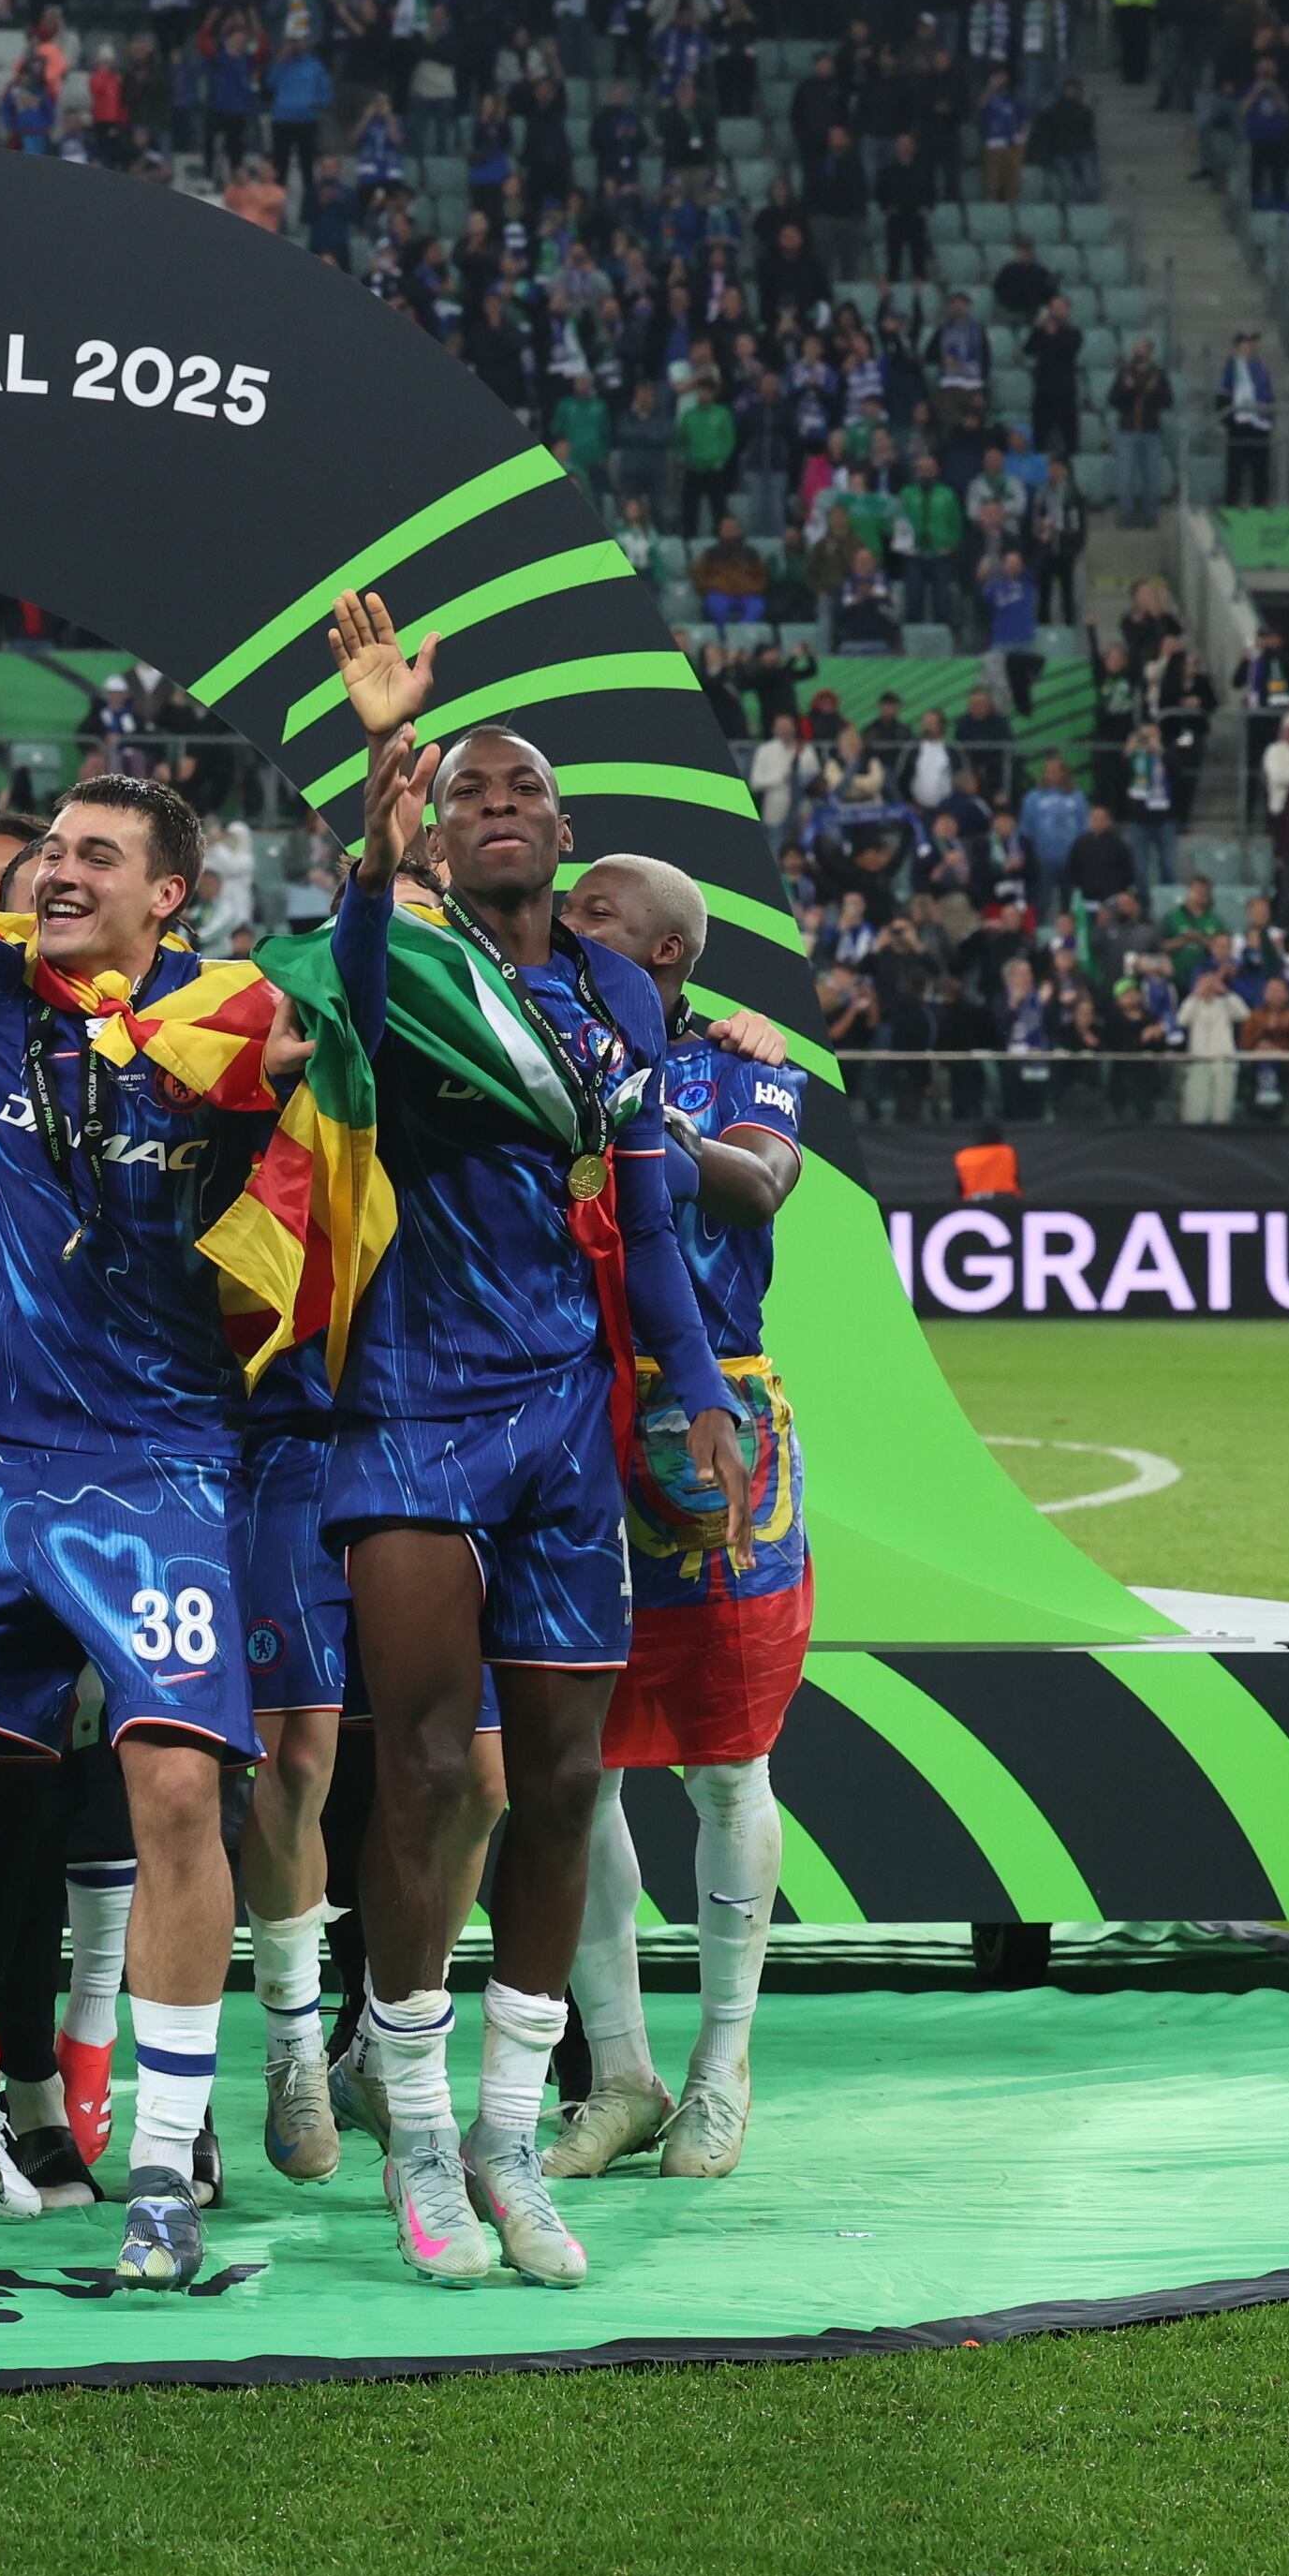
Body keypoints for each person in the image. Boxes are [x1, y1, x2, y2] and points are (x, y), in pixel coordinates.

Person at [0, 589, 437, 2291]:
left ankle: (160, 2169)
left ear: (174, 890)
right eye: (48, 847)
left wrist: (375, 816)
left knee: (172, 1792)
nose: (54, 869)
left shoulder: (229, 1024)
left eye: (94, 852)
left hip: (156, 1470)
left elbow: (345, 1025)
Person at [324, 724, 744, 2291]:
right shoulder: (406, 955)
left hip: (566, 1421)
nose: (498, 808)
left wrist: (692, 1386)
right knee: (428, 1766)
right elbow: (351, 1015)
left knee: (566, 1777)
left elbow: (643, 1215)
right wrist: (371, 860)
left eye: (523, 792)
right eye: (467, 793)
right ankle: (422, 2136)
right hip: (411, 1404)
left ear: (566, 835)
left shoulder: (613, 998)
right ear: (434, 835)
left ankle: (514, 2130)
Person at [544, 858, 809, 2183]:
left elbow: (759, 1187)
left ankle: (724, 2064)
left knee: (724, 1757)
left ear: (662, 952)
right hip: (564, 1418)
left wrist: (635, 1101)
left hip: (715, 1438)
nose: (563, 921)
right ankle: (624, 2069)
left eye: (591, 913)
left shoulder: (742, 1067)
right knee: (574, 1749)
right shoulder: (521, 1032)